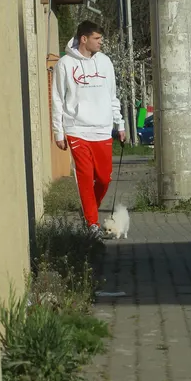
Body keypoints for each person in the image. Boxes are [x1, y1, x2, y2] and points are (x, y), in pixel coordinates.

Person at [51, 21, 125, 236]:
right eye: (97, 38)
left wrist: (120, 123)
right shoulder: (65, 64)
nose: (101, 42)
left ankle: (88, 210)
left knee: (104, 179)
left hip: (102, 129)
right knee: (84, 177)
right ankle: (92, 223)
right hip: (77, 129)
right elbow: (57, 99)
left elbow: (112, 96)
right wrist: (58, 132)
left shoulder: (105, 62)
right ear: (84, 39)